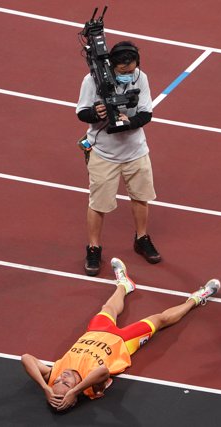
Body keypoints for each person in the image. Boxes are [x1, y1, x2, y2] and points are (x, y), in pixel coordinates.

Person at [21, 258, 220, 411]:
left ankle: (124, 284)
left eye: (57, 382)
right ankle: (197, 298)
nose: (62, 377)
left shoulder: (53, 373)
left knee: (108, 307)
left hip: (96, 331)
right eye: (66, 383)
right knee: (159, 319)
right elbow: (102, 372)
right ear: (75, 392)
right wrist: (75, 391)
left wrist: (45, 387)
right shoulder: (91, 389)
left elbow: (26, 358)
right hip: (124, 341)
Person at [76, 40, 160, 276]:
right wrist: (97, 112)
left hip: (136, 151)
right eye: (122, 72)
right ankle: (93, 247)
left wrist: (126, 122)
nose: (128, 75)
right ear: (112, 66)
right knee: (98, 204)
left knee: (141, 197)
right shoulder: (92, 80)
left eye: (131, 70)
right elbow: (82, 111)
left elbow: (146, 113)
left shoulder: (140, 77)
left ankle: (141, 238)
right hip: (104, 153)